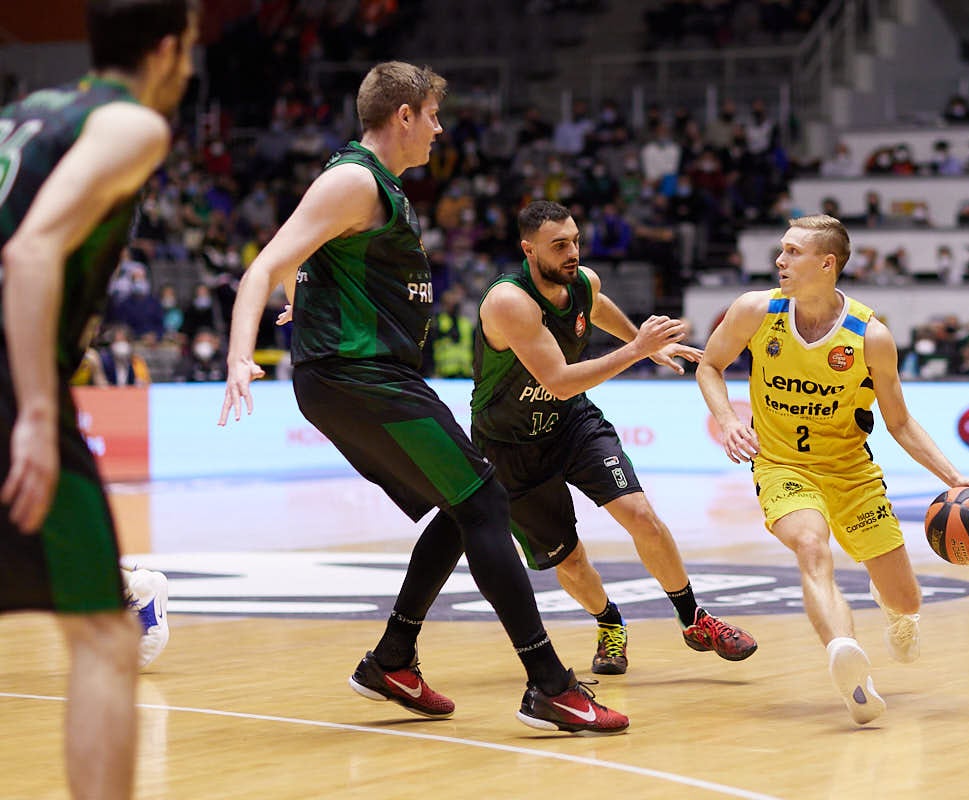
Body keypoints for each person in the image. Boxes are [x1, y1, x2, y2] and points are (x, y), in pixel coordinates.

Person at [218, 61, 628, 735]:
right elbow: (267, 262)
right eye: (432, 115)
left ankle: (393, 658)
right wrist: (240, 353)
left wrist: (309, 299)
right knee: (488, 501)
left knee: (462, 504)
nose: (439, 128)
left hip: (361, 375)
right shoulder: (353, 180)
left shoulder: (380, 187)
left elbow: (308, 262)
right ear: (403, 115)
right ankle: (549, 686)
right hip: (359, 377)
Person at [0, 2, 196, 798]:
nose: (187, 68)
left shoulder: (24, 114)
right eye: (187, 50)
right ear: (163, 50)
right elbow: (31, 247)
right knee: (106, 636)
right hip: (13, 375)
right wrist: (38, 414)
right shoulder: (131, 125)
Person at [694, 214, 969, 726]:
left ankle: (890, 604)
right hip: (782, 465)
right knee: (812, 547)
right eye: (781, 251)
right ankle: (846, 658)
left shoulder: (869, 336)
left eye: (792, 252)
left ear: (826, 263)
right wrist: (726, 420)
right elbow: (709, 365)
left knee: (905, 599)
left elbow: (898, 422)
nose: (780, 261)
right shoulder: (754, 310)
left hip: (851, 472)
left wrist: (953, 478)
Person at [471, 200, 757, 676]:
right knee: (573, 561)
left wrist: (648, 344)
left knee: (642, 516)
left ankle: (694, 620)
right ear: (528, 249)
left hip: (571, 423)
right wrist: (637, 349)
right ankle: (609, 623)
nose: (572, 253)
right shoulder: (509, 302)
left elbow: (594, 307)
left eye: (576, 241)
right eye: (559, 245)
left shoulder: (583, 282)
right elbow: (559, 380)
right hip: (511, 444)